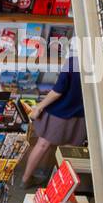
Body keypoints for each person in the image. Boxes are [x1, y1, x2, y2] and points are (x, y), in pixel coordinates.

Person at [23, 58, 86, 187]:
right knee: (69, 151)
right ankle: (59, 186)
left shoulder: (74, 62)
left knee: (42, 145)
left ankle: (25, 179)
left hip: (59, 112)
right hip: (81, 115)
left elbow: (58, 91)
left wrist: (39, 107)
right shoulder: (102, 64)